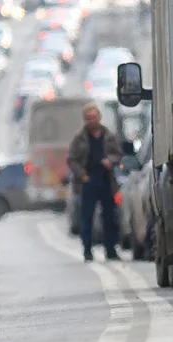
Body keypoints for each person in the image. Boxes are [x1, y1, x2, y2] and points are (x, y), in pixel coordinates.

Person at [67, 103, 123, 262]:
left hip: (106, 181)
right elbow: (72, 159)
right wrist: (82, 175)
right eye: (88, 118)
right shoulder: (80, 138)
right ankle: (87, 250)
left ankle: (110, 249)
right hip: (88, 181)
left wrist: (110, 161)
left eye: (94, 117)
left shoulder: (109, 135)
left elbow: (118, 154)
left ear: (99, 117)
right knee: (87, 217)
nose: (92, 121)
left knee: (109, 217)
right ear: (85, 120)